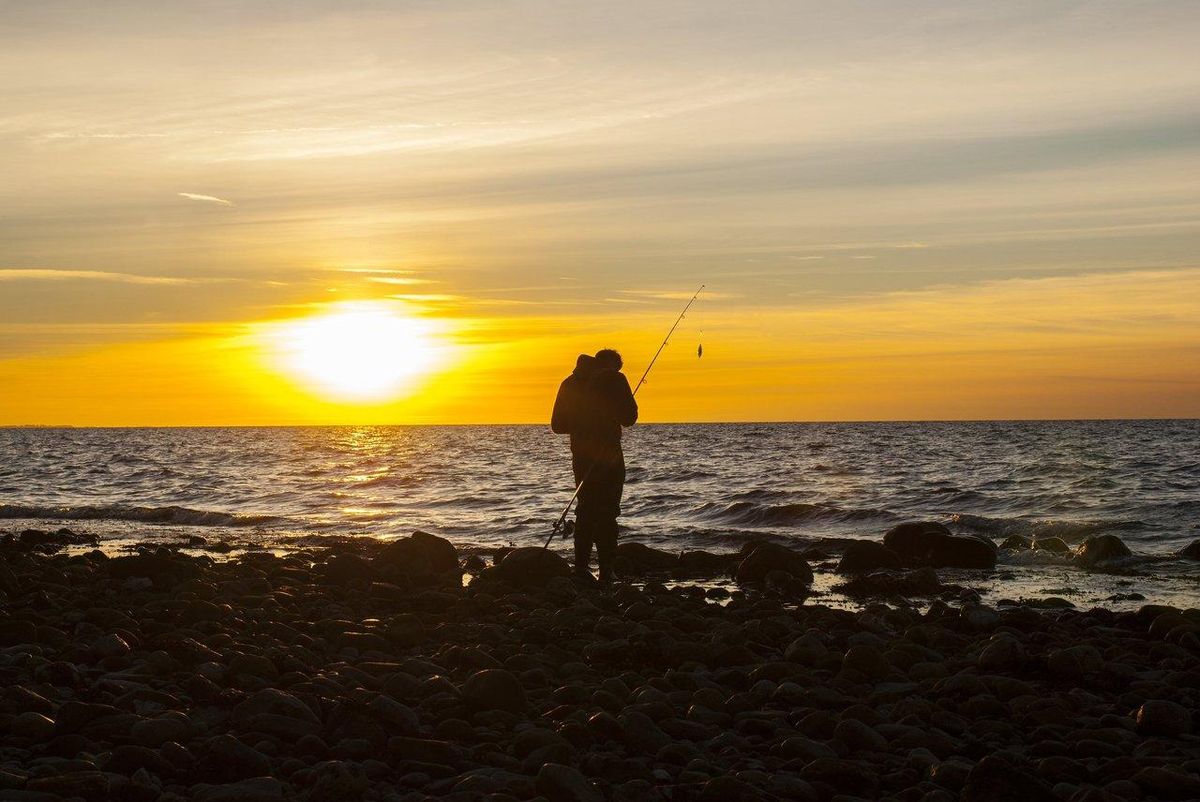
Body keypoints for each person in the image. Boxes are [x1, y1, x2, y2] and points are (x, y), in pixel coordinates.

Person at [551, 348, 638, 584]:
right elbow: (629, 418)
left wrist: (582, 423)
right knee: (608, 512)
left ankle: (580, 569)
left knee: (586, 509)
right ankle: (606, 571)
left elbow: (557, 425)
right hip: (609, 456)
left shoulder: (570, 382)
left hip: (581, 456)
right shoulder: (615, 379)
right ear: (612, 365)